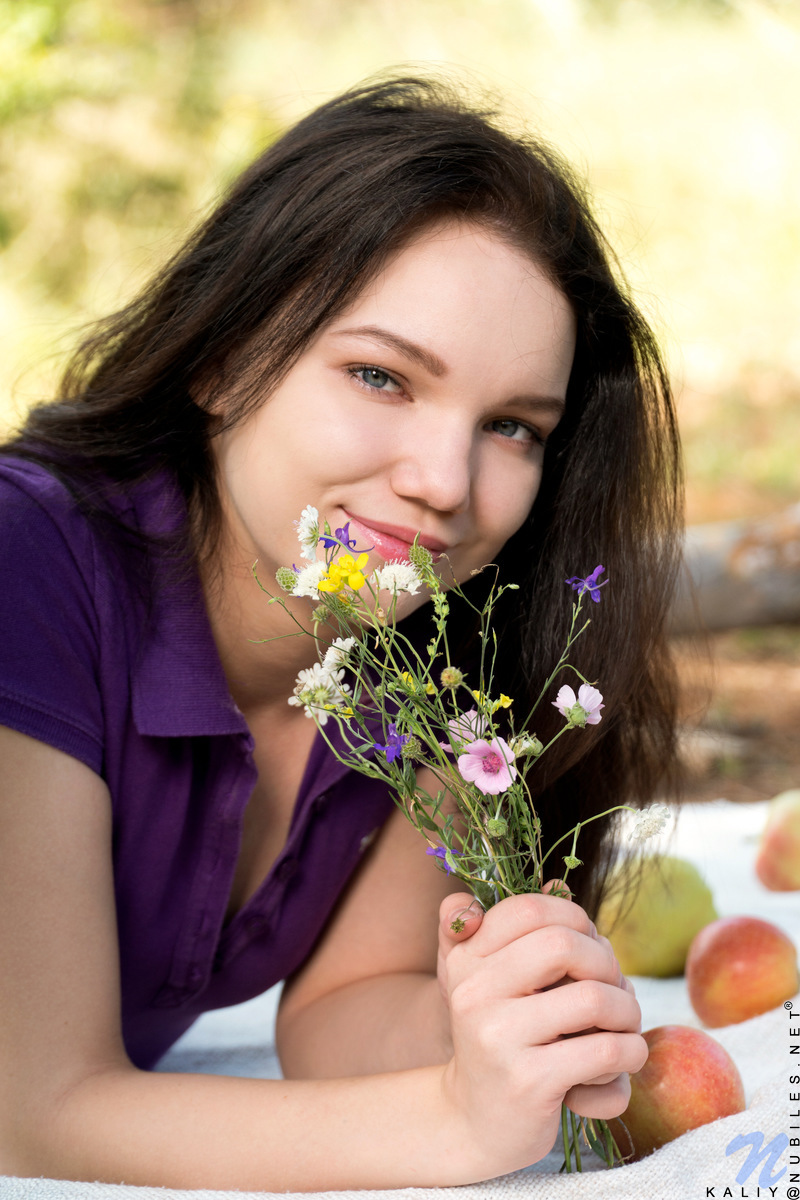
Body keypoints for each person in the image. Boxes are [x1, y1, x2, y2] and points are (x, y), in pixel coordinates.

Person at [0, 76, 682, 1189]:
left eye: (510, 427)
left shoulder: (422, 663)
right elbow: (31, 1109)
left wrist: (495, 1023)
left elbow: (341, 1014)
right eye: (379, 375)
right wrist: (455, 1124)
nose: (441, 485)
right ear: (221, 359)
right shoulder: (23, 564)